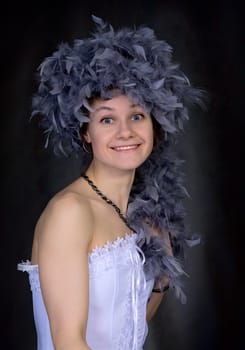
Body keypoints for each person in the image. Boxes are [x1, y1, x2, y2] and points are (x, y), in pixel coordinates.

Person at [18, 15, 203, 350]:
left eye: (136, 115)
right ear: (86, 132)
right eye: (107, 119)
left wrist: (160, 266)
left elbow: (131, 323)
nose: (125, 132)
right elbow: (68, 342)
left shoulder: (141, 218)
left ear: (153, 125)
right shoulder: (70, 212)